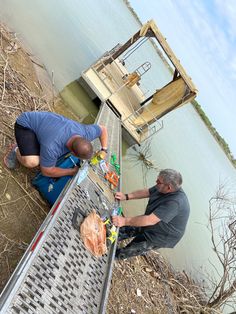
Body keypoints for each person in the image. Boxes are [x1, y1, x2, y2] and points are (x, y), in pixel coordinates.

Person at [112, 169, 190, 260]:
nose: (156, 182)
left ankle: (116, 256)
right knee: (125, 229)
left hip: (162, 234)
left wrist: (124, 220)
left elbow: (149, 220)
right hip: (153, 220)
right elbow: (148, 192)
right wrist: (126, 196)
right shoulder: (162, 186)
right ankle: (112, 238)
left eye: (158, 181)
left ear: (169, 187)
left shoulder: (175, 203)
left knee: (132, 248)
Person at [4, 111, 108, 177]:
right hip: (25, 124)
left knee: (46, 156)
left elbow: (103, 129)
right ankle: (16, 149)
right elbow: (47, 171)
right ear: (74, 153)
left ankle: (32, 145)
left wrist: (104, 149)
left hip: (45, 127)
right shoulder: (52, 147)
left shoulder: (86, 132)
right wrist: (71, 171)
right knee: (32, 162)